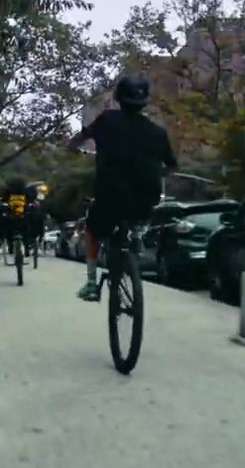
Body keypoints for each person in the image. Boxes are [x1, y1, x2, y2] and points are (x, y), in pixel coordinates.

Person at [67, 75, 178, 301]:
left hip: (110, 198)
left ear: (118, 98)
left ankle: (90, 284)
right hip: (145, 200)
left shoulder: (107, 119)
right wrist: (155, 172)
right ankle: (136, 234)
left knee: (92, 231)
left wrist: (72, 146)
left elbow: (79, 138)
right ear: (145, 101)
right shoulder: (157, 132)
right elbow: (172, 166)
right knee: (140, 211)